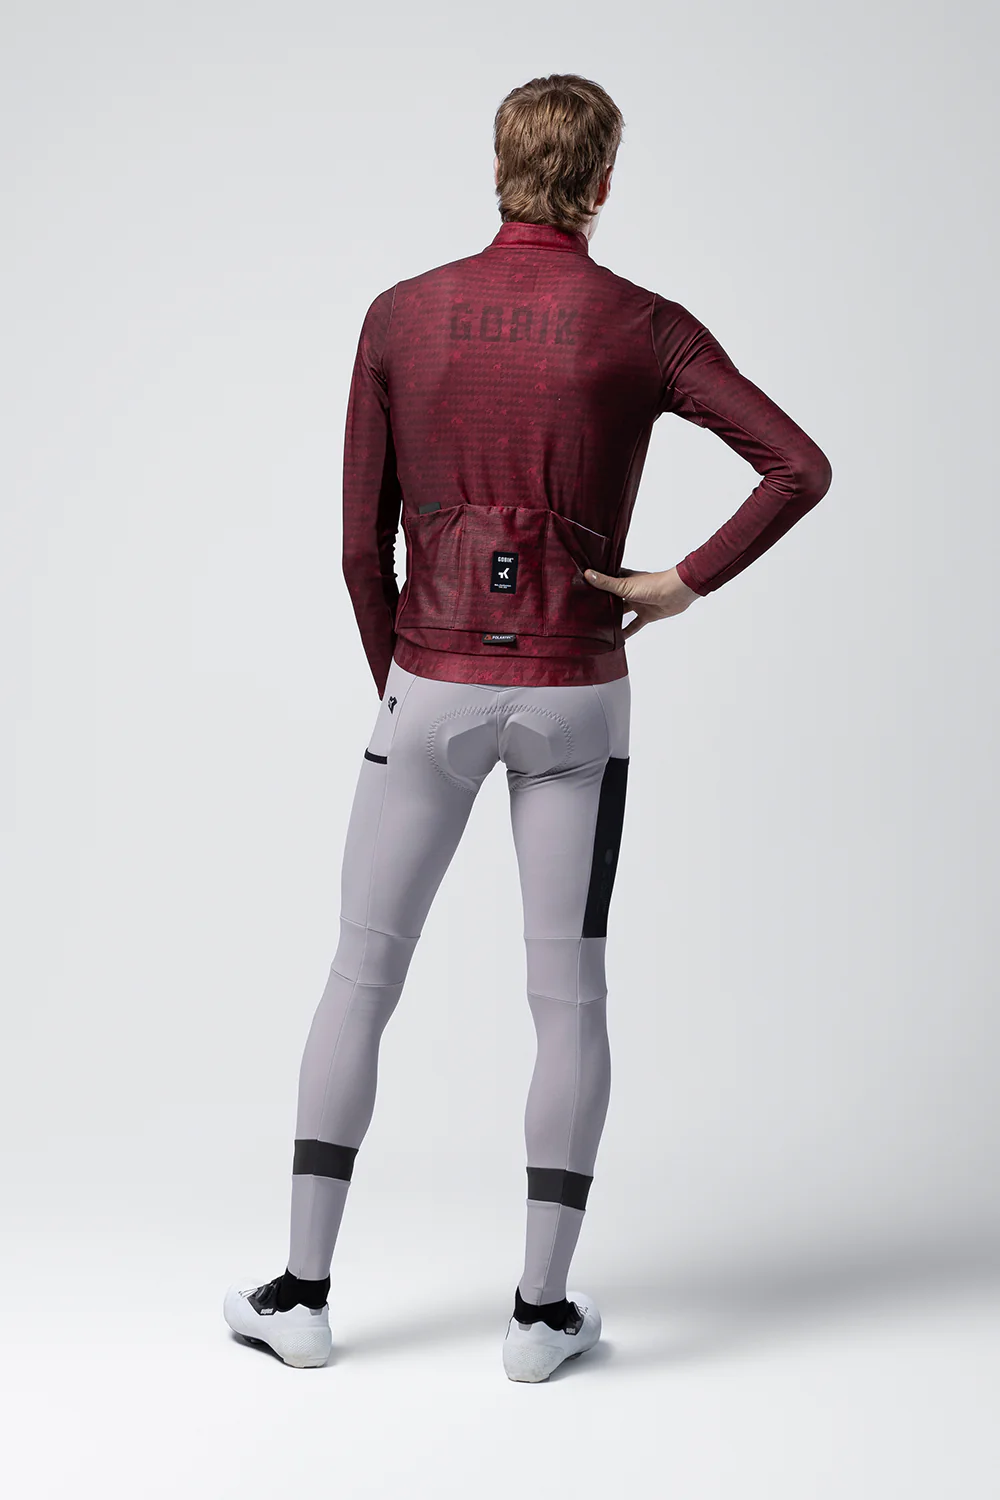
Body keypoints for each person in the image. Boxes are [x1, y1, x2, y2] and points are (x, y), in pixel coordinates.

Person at [223, 72, 832, 1382]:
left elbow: (358, 550)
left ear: (497, 167)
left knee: (360, 976)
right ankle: (538, 1318)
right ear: (604, 181)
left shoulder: (401, 314)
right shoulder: (645, 325)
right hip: (579, 697)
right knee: (568, 994)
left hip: (427, 684)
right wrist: (681, 583)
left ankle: (301, 1297)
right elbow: (799, 466)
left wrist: (410, 685)